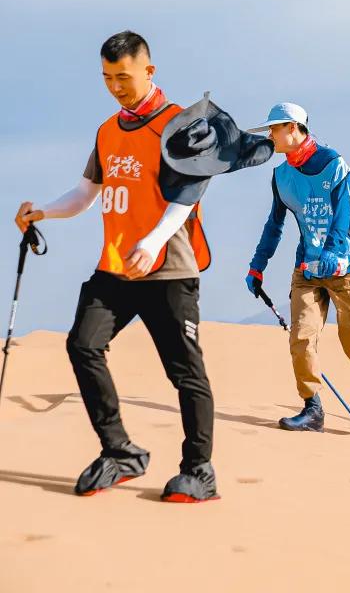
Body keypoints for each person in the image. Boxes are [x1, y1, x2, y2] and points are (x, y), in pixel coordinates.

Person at [13, 31, 270, 502]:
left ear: (149, 71)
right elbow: (87, 194)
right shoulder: (108, 131)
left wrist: (153, 242)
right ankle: (119, 452)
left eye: (124, 77)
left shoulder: (179, 125)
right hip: (115, 269)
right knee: (82, 345)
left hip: (168, 270)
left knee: (185, 373)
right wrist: (42, 211)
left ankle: (199, 471)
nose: (116, 86)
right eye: (108, 78)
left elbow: (187, 196)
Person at [244, 102, 350, 440]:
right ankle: (312, 407)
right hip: (307, 269)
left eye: (274, 129)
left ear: (292, 128)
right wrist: (257, 266)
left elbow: (342, 212)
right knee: (301, 338)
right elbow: (274, 226)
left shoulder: (333, 163)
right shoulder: (281, 175)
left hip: (345, 267)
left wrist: (332, 251)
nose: (270, 136)